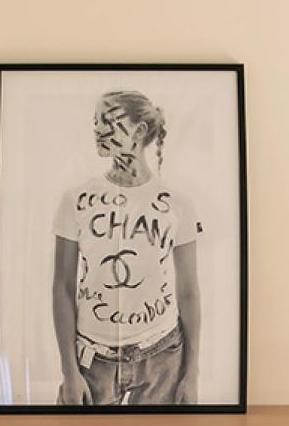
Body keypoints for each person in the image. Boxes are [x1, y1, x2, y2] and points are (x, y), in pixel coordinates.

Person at [51, 90, 202, 406]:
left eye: (108, 121)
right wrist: (69, 372)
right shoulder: (77, 200)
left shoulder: (178, 204)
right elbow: (62, 287)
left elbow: (189, 291)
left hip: (163, 357)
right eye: (95, 122)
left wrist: (191, 374)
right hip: (93, 361)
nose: (98, 129)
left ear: (139, 130)